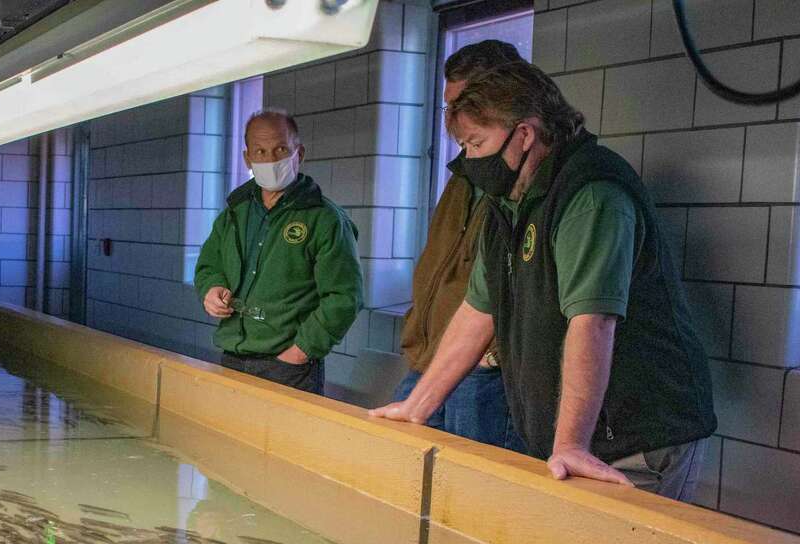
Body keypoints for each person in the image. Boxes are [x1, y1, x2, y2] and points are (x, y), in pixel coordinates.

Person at [371, 61, 716, 500]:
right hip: (580, 436)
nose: (468, 161)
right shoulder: (507, 204)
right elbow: (478, 311)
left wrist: (570, 443)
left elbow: (592, 322)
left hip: (636, 436)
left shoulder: (591, 194)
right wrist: (416, 406)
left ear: (525, 134)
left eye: (475, 143)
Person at [395, 39, 524, 450]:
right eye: (448, 107)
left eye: (462, 104)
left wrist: (495, 350)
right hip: (433, 355)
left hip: (484, 373)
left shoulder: (521, 181)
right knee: (397, 461)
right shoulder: (462, 175)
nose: (453, 120)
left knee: (475, 496)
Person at [193, 108, 363, 395]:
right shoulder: (234, 213)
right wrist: (211, 289)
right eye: (259, 151)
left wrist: (301, 351)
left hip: (288, 367)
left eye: (281, 149)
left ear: (300, 153)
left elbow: (344, 297)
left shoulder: (325, 219)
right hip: (233, 357)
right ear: (247, 158)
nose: (270, 159)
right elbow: (209, 265)